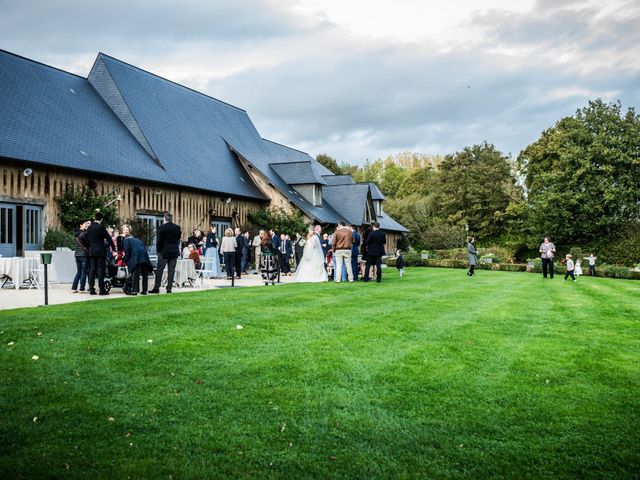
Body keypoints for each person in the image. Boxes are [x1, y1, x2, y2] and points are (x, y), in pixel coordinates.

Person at [149, 212, 182, 294]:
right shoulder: (177, 228)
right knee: (171, 270)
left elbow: (159, 241)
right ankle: (169, 288)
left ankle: (157, 288)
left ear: (164, 219)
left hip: (164, 252)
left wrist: (158, 251)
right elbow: (178, 239)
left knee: (159, 270)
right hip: (174, 252)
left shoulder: (162, 228)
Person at [87, 212, 116, 295]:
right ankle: (101, 289)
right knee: (100, 270)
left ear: (94, 218)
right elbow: (109, 238)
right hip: (100, 251)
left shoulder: (89, 228)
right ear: (102, 219)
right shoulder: (101, 227)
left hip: (92, 251)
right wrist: (113, 248)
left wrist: (89, 247)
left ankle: (91, 289)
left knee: (92, 270)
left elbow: (87, 238)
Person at [122, 224, 152, 295]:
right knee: (145, 274)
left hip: (136, 257)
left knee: (135, 273)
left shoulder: (126, 240)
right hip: (144, 256)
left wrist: (124, 259)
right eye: (124, 230)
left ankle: (135, 290)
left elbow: (127, 251)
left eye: (126, 230)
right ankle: (144, 290)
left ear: (129, 231)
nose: (125, 231)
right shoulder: (138, 240)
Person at [71, 219, 91, 293]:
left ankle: (74, 288)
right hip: (84, 255)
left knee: (78, 272)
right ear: (81, 225)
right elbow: (88, 244)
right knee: (84, 272)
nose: (86, 225)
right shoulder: (84, 234)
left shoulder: (76, 234)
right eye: (85, 224)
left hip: (77, 255)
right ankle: (82, 288)